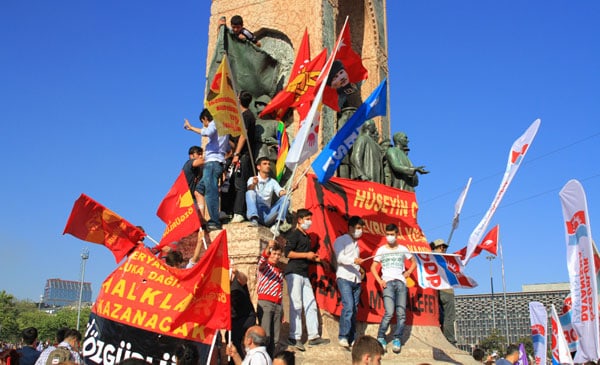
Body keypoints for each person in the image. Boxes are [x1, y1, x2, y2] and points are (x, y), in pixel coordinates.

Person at [284, 209, 329, 351]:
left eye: (310, 219)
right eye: (307, 219)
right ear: (300, 220)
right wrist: (306, 255)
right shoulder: (294, 234)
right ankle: (294, 337)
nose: (309, 222)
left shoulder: (307, 237)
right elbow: (288, 253)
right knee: (296, 304)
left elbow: (307, 255)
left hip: (304, 274)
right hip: (294, 272)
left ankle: (313, 336)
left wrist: (316, 259)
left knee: (311, 304)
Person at [370, 223, 417, 354]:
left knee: (401, 314)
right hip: (388, 283)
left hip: (401, 283)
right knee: (389, 312)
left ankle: (397, 338)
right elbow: (373, 267)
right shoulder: (381, 250)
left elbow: (414, 261)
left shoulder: (403, 248)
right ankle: (380, 336)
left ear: (397, 235)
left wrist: (408, 272)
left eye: (392, 234)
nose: (389, 237)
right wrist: (380, 280)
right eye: (388, 234)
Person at [184, 109, 229, 231]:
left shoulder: (215, 123)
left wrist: (191, 127)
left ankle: (214, 221)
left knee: (210, 192)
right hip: (216, 162)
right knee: (199, 191)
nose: (204, 124)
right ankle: (202, 219)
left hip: (212, 163)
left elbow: (207, 132)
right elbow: (229, 147)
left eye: (203, 122)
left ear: (205, 118)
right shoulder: (224, 128)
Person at [333, 216, 365, 348]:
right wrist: (354, 261)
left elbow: (354, 263)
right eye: (358, 228)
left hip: (356, 280)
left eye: (361, 228)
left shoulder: (357, 246)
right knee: (348, 307)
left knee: (355, 310)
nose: (360, 231)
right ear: (350, 228)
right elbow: (340, 258)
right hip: (344, 278)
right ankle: (343, 336)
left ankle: (352, 337)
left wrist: (360, 269)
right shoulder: (341, 240)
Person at [246, 156, 290, 236]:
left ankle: (277, 225)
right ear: (258, 167)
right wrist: (254, 184)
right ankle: (254, 219)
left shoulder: (273, 181)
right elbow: (249, 189)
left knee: (286, 198)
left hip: (268, 214)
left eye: (269, 164)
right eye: (265, 164)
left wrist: (290, 189)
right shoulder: (252, 179)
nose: (268, 166)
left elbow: (280, 192)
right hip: (257, 211)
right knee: (250, 193)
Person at [230, 90, 257, 223]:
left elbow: (243, 135)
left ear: (239, 99)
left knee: (240, 184)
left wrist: (237, 154)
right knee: (235, 183)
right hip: (240, 154)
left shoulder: (247, 115)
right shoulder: (243, 116)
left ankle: (239, 213)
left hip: (244, 155)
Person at [257, 240, 285, 356]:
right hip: (266, 303)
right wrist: (269, 247)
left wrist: (282, 309)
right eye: (274, 254)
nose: (276, 257)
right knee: (266, 335)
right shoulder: (264, 267)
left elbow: (280, 292)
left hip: (277, 305)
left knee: (276, 337)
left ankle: (271, 358)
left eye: (279, 255)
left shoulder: (279, 271)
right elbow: (263, 259)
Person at [430, 238, 457, 346]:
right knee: (449, 317)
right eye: (444, 247)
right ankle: (450, 341)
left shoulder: (429, 258)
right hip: (446, 290)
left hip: (434, 291)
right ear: (441, 247)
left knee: (440, 317)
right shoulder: (444, 259)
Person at [230, 267, 258, 360]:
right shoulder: (221, 285)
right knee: (229, 336)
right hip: (234, 318)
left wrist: (237, 272)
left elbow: (244, 278)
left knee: (235, 336)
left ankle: (241, 360)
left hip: (247, 316)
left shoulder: (237, 280)